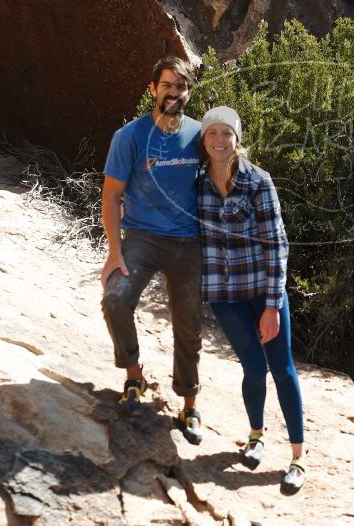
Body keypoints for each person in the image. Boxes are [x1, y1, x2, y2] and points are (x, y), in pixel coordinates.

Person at [197, 106, 306, 494]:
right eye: (213, 134)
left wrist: (273, 305)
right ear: (204, 140)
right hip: (225, 295)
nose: (220, 141)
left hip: (263, 291)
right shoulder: (197, 184)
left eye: (227, 134)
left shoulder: (259, 181)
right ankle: (256, 437)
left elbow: (278, 244)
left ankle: (297, 459)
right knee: (252, 368)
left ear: (237, 139)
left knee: (282, 368)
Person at [100, 56, 204, 445]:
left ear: (188, 93)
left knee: (189, 325)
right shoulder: (129, 136)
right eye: (167, 85)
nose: (174, 93)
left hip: (189, 242)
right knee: (115, 299)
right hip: (142, 237)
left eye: (181, 86)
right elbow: (111, 196)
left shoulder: (200, 136)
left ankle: (189, 404)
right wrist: (115, 252)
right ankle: (133, 376)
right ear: (153, 89)